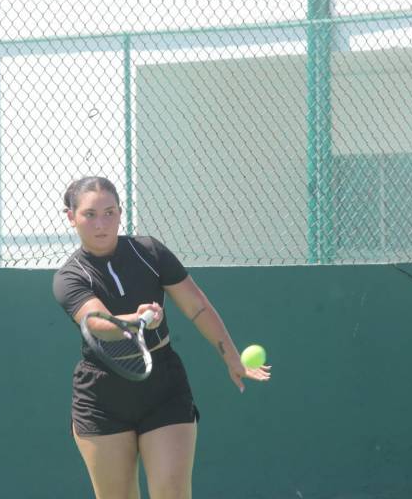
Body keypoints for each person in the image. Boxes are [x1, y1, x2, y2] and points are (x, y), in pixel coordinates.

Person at [52, 176, 270, 499]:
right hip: (101, 397)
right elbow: (97, 323)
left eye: (110, 212)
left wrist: (231, 356)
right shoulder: (69, 277)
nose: (102, 224)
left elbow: (197, 306)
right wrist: (138, 319)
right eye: (90, 214)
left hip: (163, 388)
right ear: (71, 217)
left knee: (172, 492)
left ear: (121, 212)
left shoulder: (149, 252)